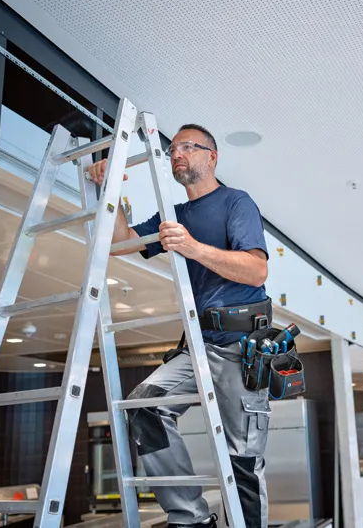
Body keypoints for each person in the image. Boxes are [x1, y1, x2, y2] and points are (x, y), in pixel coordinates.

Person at [88, 124, 271, 528]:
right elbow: (124, 242)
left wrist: (191, 247)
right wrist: (112, 189)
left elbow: (257, 271)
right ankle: (190, 519)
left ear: (212, 156)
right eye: (173, 149)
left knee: (242, 457)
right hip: (197, 346)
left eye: (189, 146)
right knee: (145, 407)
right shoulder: (175, 216)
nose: (177, 153)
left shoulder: (235, 202)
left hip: (241, 347)